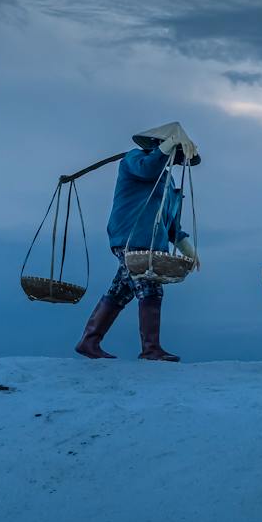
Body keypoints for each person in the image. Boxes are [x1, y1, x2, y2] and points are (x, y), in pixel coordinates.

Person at [75, 122, 201, 362]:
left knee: (121, 290)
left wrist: (189, 249)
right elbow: (148, 169)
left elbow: (172, 224)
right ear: (161, 146)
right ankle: (151, 348)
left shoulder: (168, 182)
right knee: (149, 285)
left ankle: (89, 341)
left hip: (152, 245)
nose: (179, 159)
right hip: (131, 237)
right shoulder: (135, 160)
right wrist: (169, 144)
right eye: (177, 151)